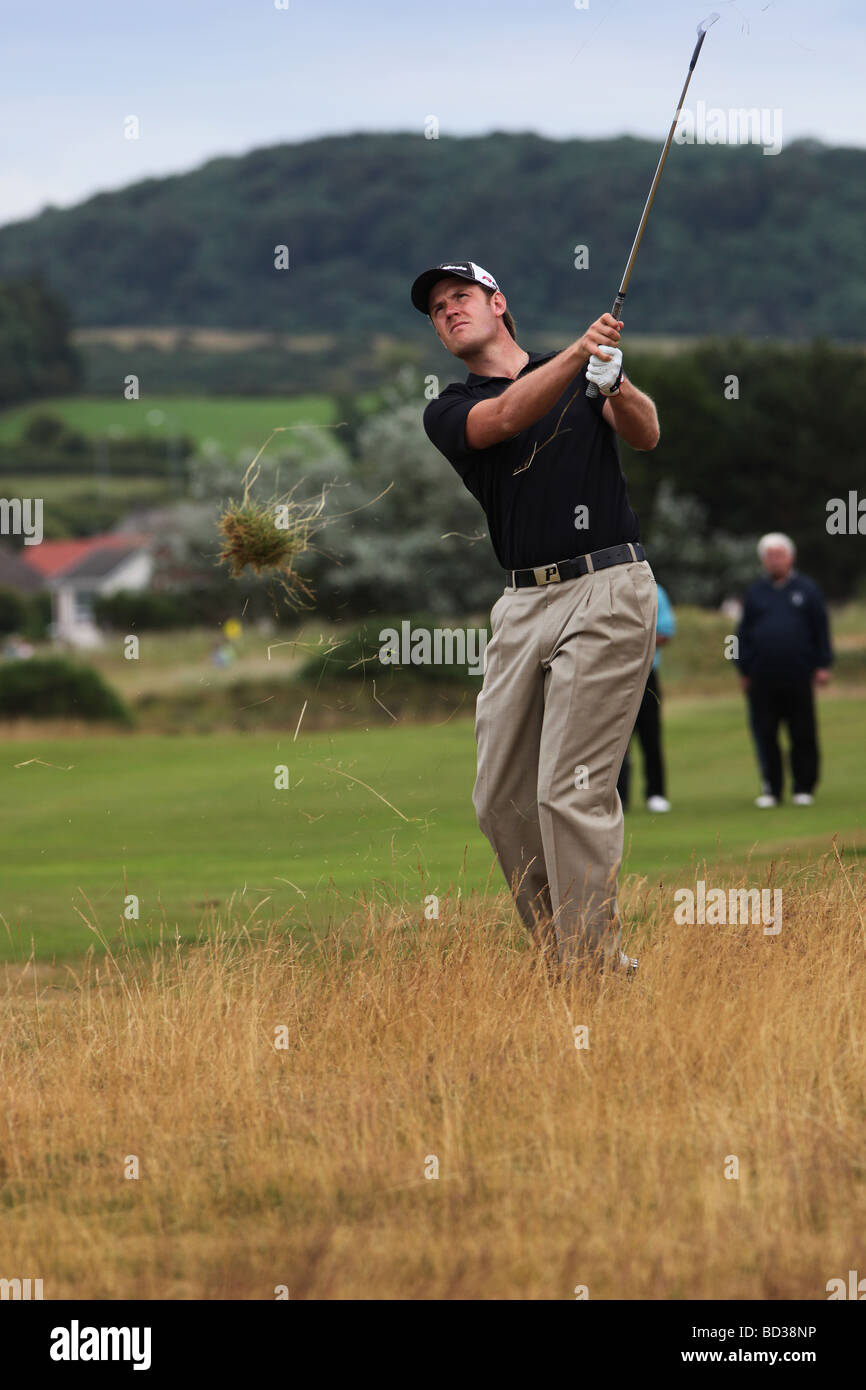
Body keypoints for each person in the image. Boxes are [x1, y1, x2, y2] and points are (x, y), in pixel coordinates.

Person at [412, 260, 660, 975]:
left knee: (571, 789)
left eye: (460, 297)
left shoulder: (581, 373)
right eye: (436, 310)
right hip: (521, 604)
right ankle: (564, 954)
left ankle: (592, 971)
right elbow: (507, 417)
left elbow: (644, 433)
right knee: (500, 800)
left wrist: (614, 381)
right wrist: (580, 359)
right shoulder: (449, 407)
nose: (448, 312)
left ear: (499, 304)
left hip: (607, 585)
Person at [737, 532, 833, 807]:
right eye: (769, 556)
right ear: (763, 560)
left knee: (802, 730)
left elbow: (821, 630)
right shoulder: (755, 592)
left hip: (798, 673)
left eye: (779, 555)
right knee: (765, 732)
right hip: (762, 676)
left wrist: (823, 664)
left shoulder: (808, 589)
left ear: (790, 557)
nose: (774, 560)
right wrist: (743, 668)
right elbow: (741, 634)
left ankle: (804, 786)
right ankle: (772, 788)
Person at [617, 582, 675, 813]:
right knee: (617, 739)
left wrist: (632, 642)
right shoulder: (601, 588)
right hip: (612, 676)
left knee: (651, 735)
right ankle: (619, 796)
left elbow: (666, 632)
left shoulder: (654, 591)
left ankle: (656, 793)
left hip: (646, 673)